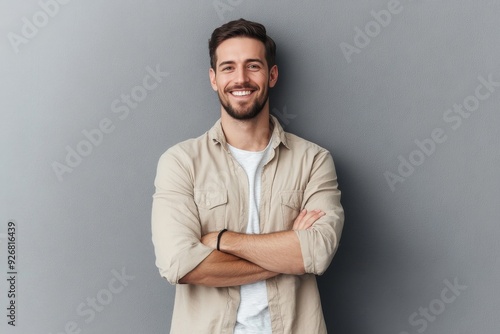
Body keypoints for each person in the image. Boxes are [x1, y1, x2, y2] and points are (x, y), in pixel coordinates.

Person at [151, 18, 344, 334]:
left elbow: (317, 253)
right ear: (213, 78)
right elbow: (178, 263)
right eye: (228, 68)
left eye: (253, 66)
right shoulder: (181, 162)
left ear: (272, 75)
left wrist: (221, 240)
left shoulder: (313, 161)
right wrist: (287, 256)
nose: (240, 78)